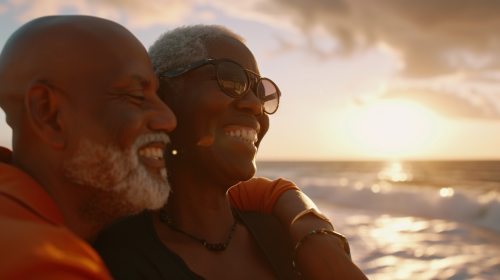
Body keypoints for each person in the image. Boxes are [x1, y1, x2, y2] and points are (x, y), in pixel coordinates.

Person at [0, 16, 346, 279]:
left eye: (261, 91)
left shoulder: (279, 233)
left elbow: (260, 193)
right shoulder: (52, 258)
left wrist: (308, 225)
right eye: (137, 96)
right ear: (48, 113)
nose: (164, 117)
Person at [94, 25, 368, 280]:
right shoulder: (116, 258)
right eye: (231, 79)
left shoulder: (283, 237)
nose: (255, 105)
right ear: (162, 96)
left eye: (260, 92)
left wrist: (313, 235)